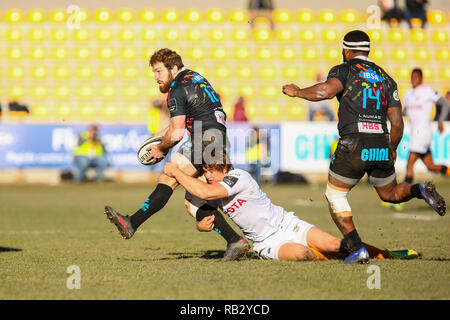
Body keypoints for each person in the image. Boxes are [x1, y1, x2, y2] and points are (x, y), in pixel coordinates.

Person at [282, 30, 446, 263]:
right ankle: (418, 190)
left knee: (335, 195)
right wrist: (392, 148)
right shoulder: (386, 78)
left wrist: (297, 91)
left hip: (354, 141)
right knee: (390, 193)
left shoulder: (345, 69)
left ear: (346, 50)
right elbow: (397, 123)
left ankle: (357, 249)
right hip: (381, 139)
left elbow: (326, 91)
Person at [104, 48, 249, 262]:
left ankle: (132, 223)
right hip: (212, 136)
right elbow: (177, 125)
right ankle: (235, 240)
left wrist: (162, 148)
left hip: (204, 138)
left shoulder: (177, 89)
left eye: (159, 71)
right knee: (194, 201)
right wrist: (157, 139)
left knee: (169, 177)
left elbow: (178, 132)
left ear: (172, 68)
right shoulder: (193, 78)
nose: (156, 78)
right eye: (154, 73)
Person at [163, 150, 420, 262]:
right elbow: (195, 201)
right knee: (302, 255)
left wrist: (175, 171)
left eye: (211, 170)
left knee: (336, 243)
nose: (208, 175)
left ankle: (387, 254)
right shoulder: (215, 184)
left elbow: (204, 190)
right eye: (205, 171)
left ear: (225, 167)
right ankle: (340, 256)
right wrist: (200, 225)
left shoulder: (237, 177)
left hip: (288, 223)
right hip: (267, 243)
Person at [403, 68, 450, 183]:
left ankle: (401, 196)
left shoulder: (427, 90)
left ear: (421, 78)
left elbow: (444, 103)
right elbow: (405, 111)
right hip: (415, 133)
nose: (413, 79)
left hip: (423, 132)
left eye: (416, 77)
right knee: (431, 166)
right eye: (412, 77)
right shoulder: (408, 93)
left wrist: (440, 120)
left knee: (409, 164)